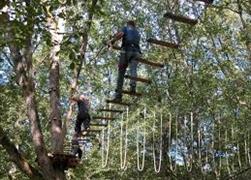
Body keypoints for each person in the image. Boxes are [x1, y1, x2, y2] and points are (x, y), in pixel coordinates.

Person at [109, 20, 141, 102]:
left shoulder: (126, 28)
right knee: (133, 69)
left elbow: (120, 34)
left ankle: (118, 96)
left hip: (126, 51)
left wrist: (112, 41)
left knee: (121, 72)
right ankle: (133, 86)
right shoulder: (137, 32)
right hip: (136, 53)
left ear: (128, 24)